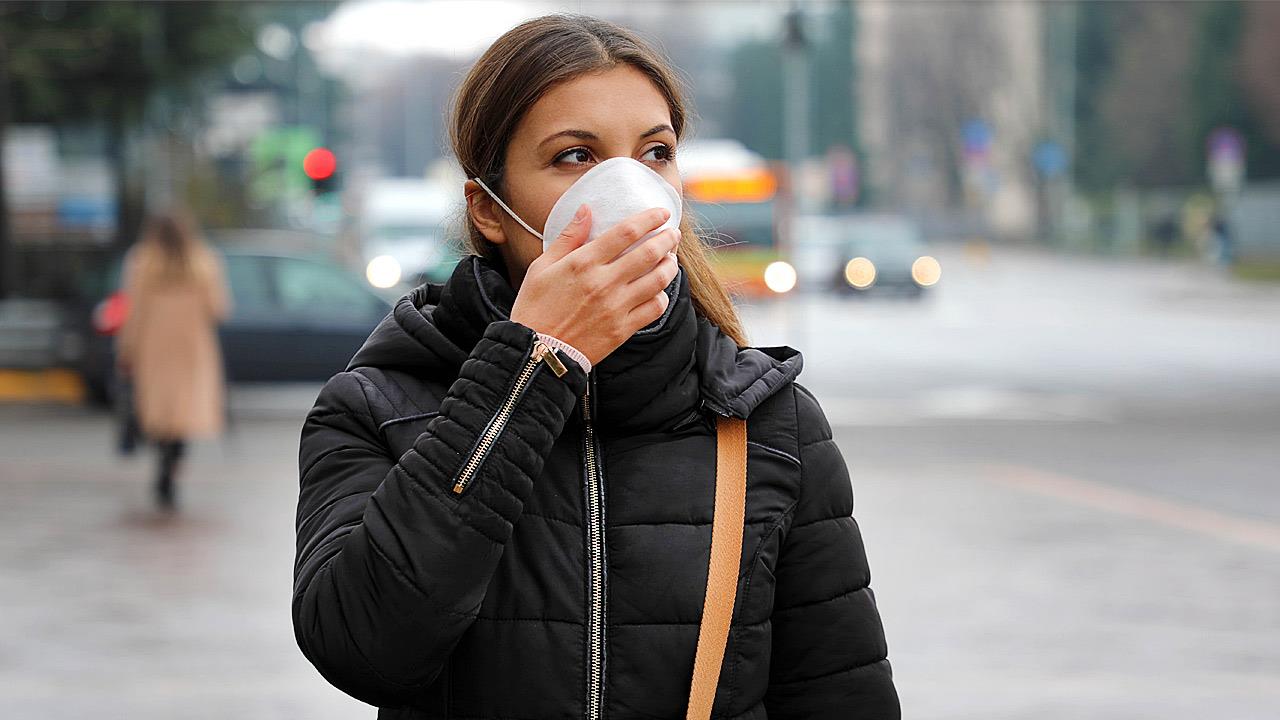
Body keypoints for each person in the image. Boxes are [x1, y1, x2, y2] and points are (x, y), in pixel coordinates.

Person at [293, 13, 899, 718]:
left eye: (655, 153)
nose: (629, 191)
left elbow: (841, 696)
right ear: (489, 210)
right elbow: (363, 647)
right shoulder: (378, 407)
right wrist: (531, 366)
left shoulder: (769, 423)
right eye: (576, 157)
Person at [116, 210, 230, 510]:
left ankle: (163, 458)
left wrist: (126, 349)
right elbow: (219, 308)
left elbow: (134, 311)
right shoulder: (204, 261)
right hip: (193, 347)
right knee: (183, 413)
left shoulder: (141, 261)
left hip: (153, 346)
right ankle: (173, 464)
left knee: (159, 411)